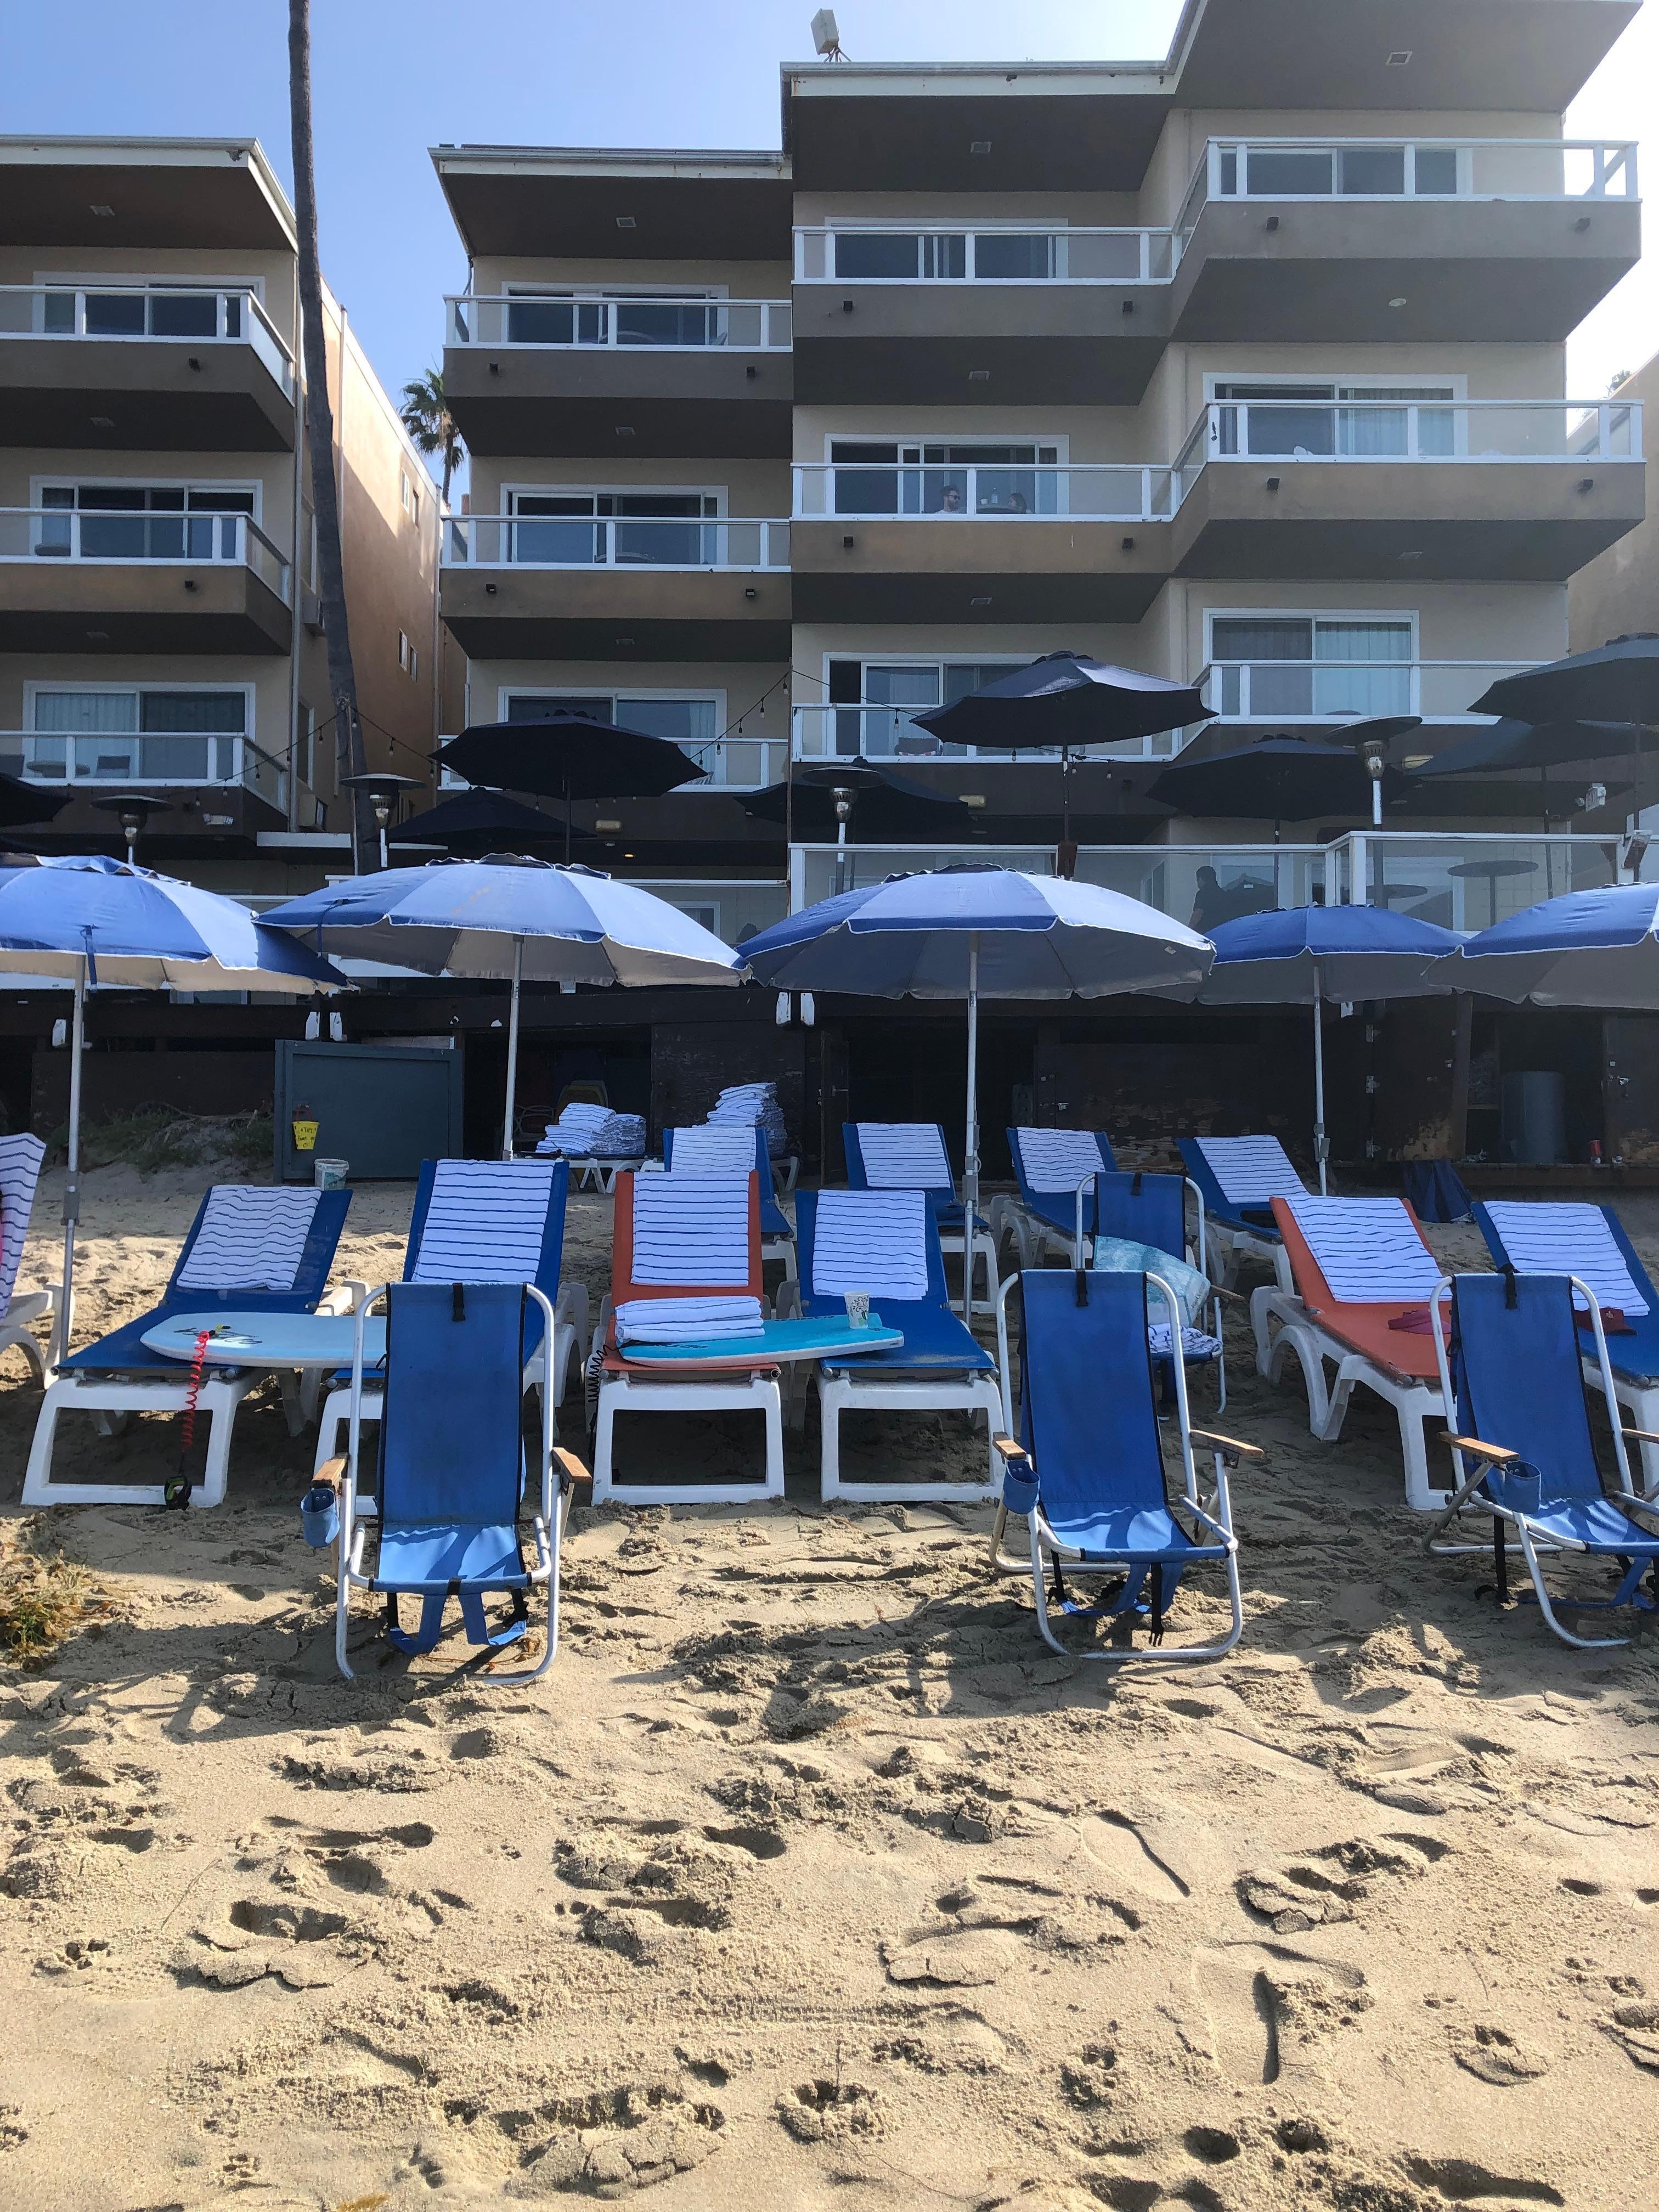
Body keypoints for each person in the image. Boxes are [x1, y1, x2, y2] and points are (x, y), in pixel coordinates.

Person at [1189, 865, 1226, 933]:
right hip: (1222, 932)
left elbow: (1197, 916)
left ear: (1201, 879)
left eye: (1198, 880)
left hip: (1206, 933)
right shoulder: (1223, 894)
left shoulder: (1203, 894)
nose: (1198, 883)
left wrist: (1189, 932)